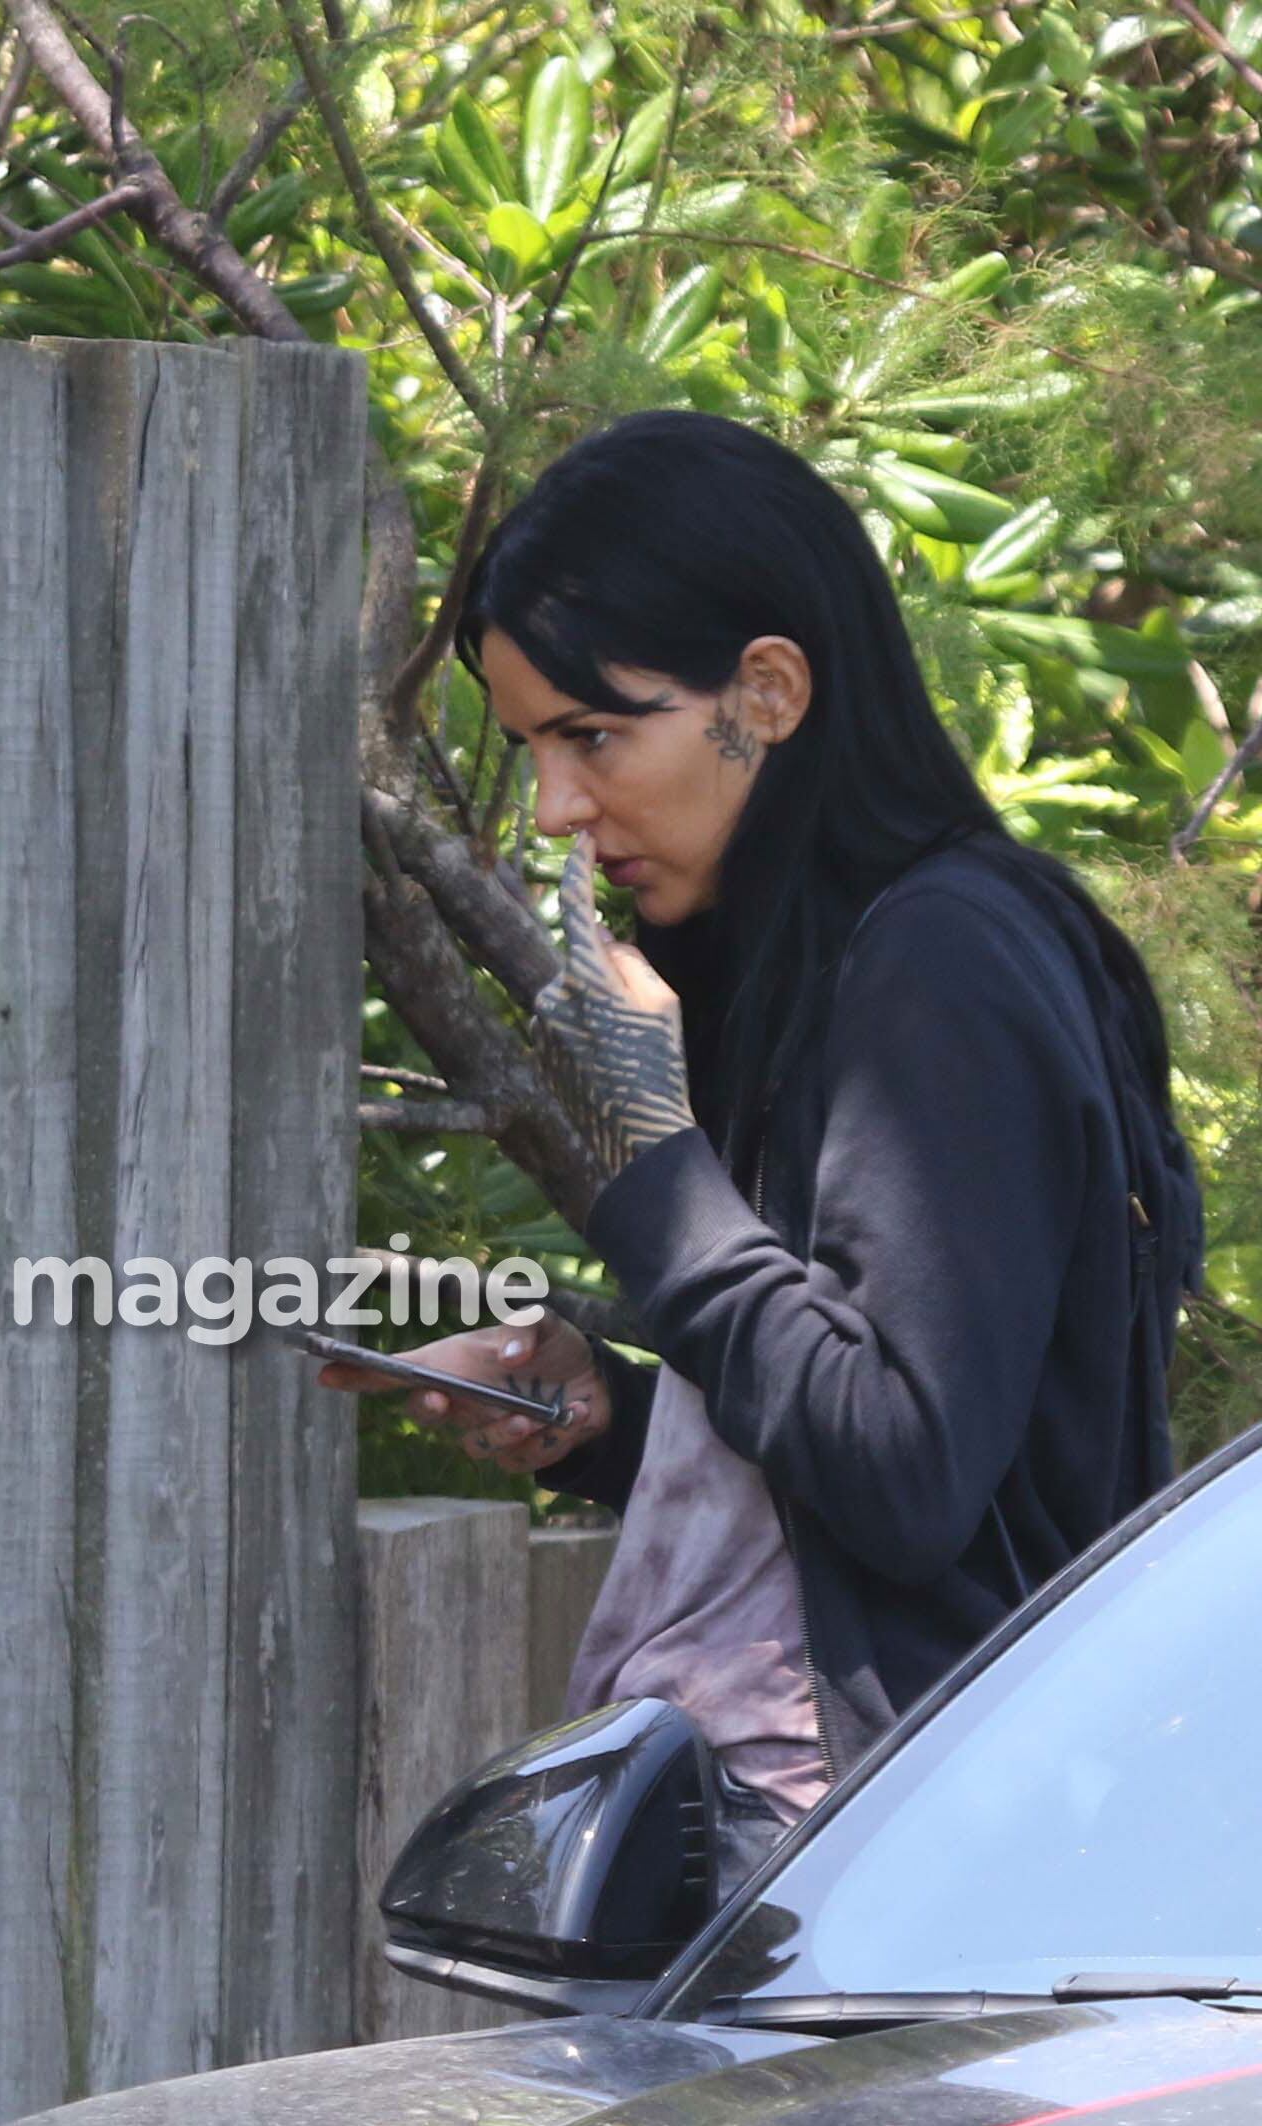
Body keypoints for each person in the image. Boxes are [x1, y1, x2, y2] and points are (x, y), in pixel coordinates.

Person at [323, 408, 1202, 1897]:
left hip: (895, 1885)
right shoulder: (823, 958)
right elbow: (875, 1438)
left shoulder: (942, 966)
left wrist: (652, 1155)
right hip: (843, 1854)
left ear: (771, 691)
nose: (556, 807)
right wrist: (614, 1419)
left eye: (596, 735)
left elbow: (909, 1468)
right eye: (534, 745)